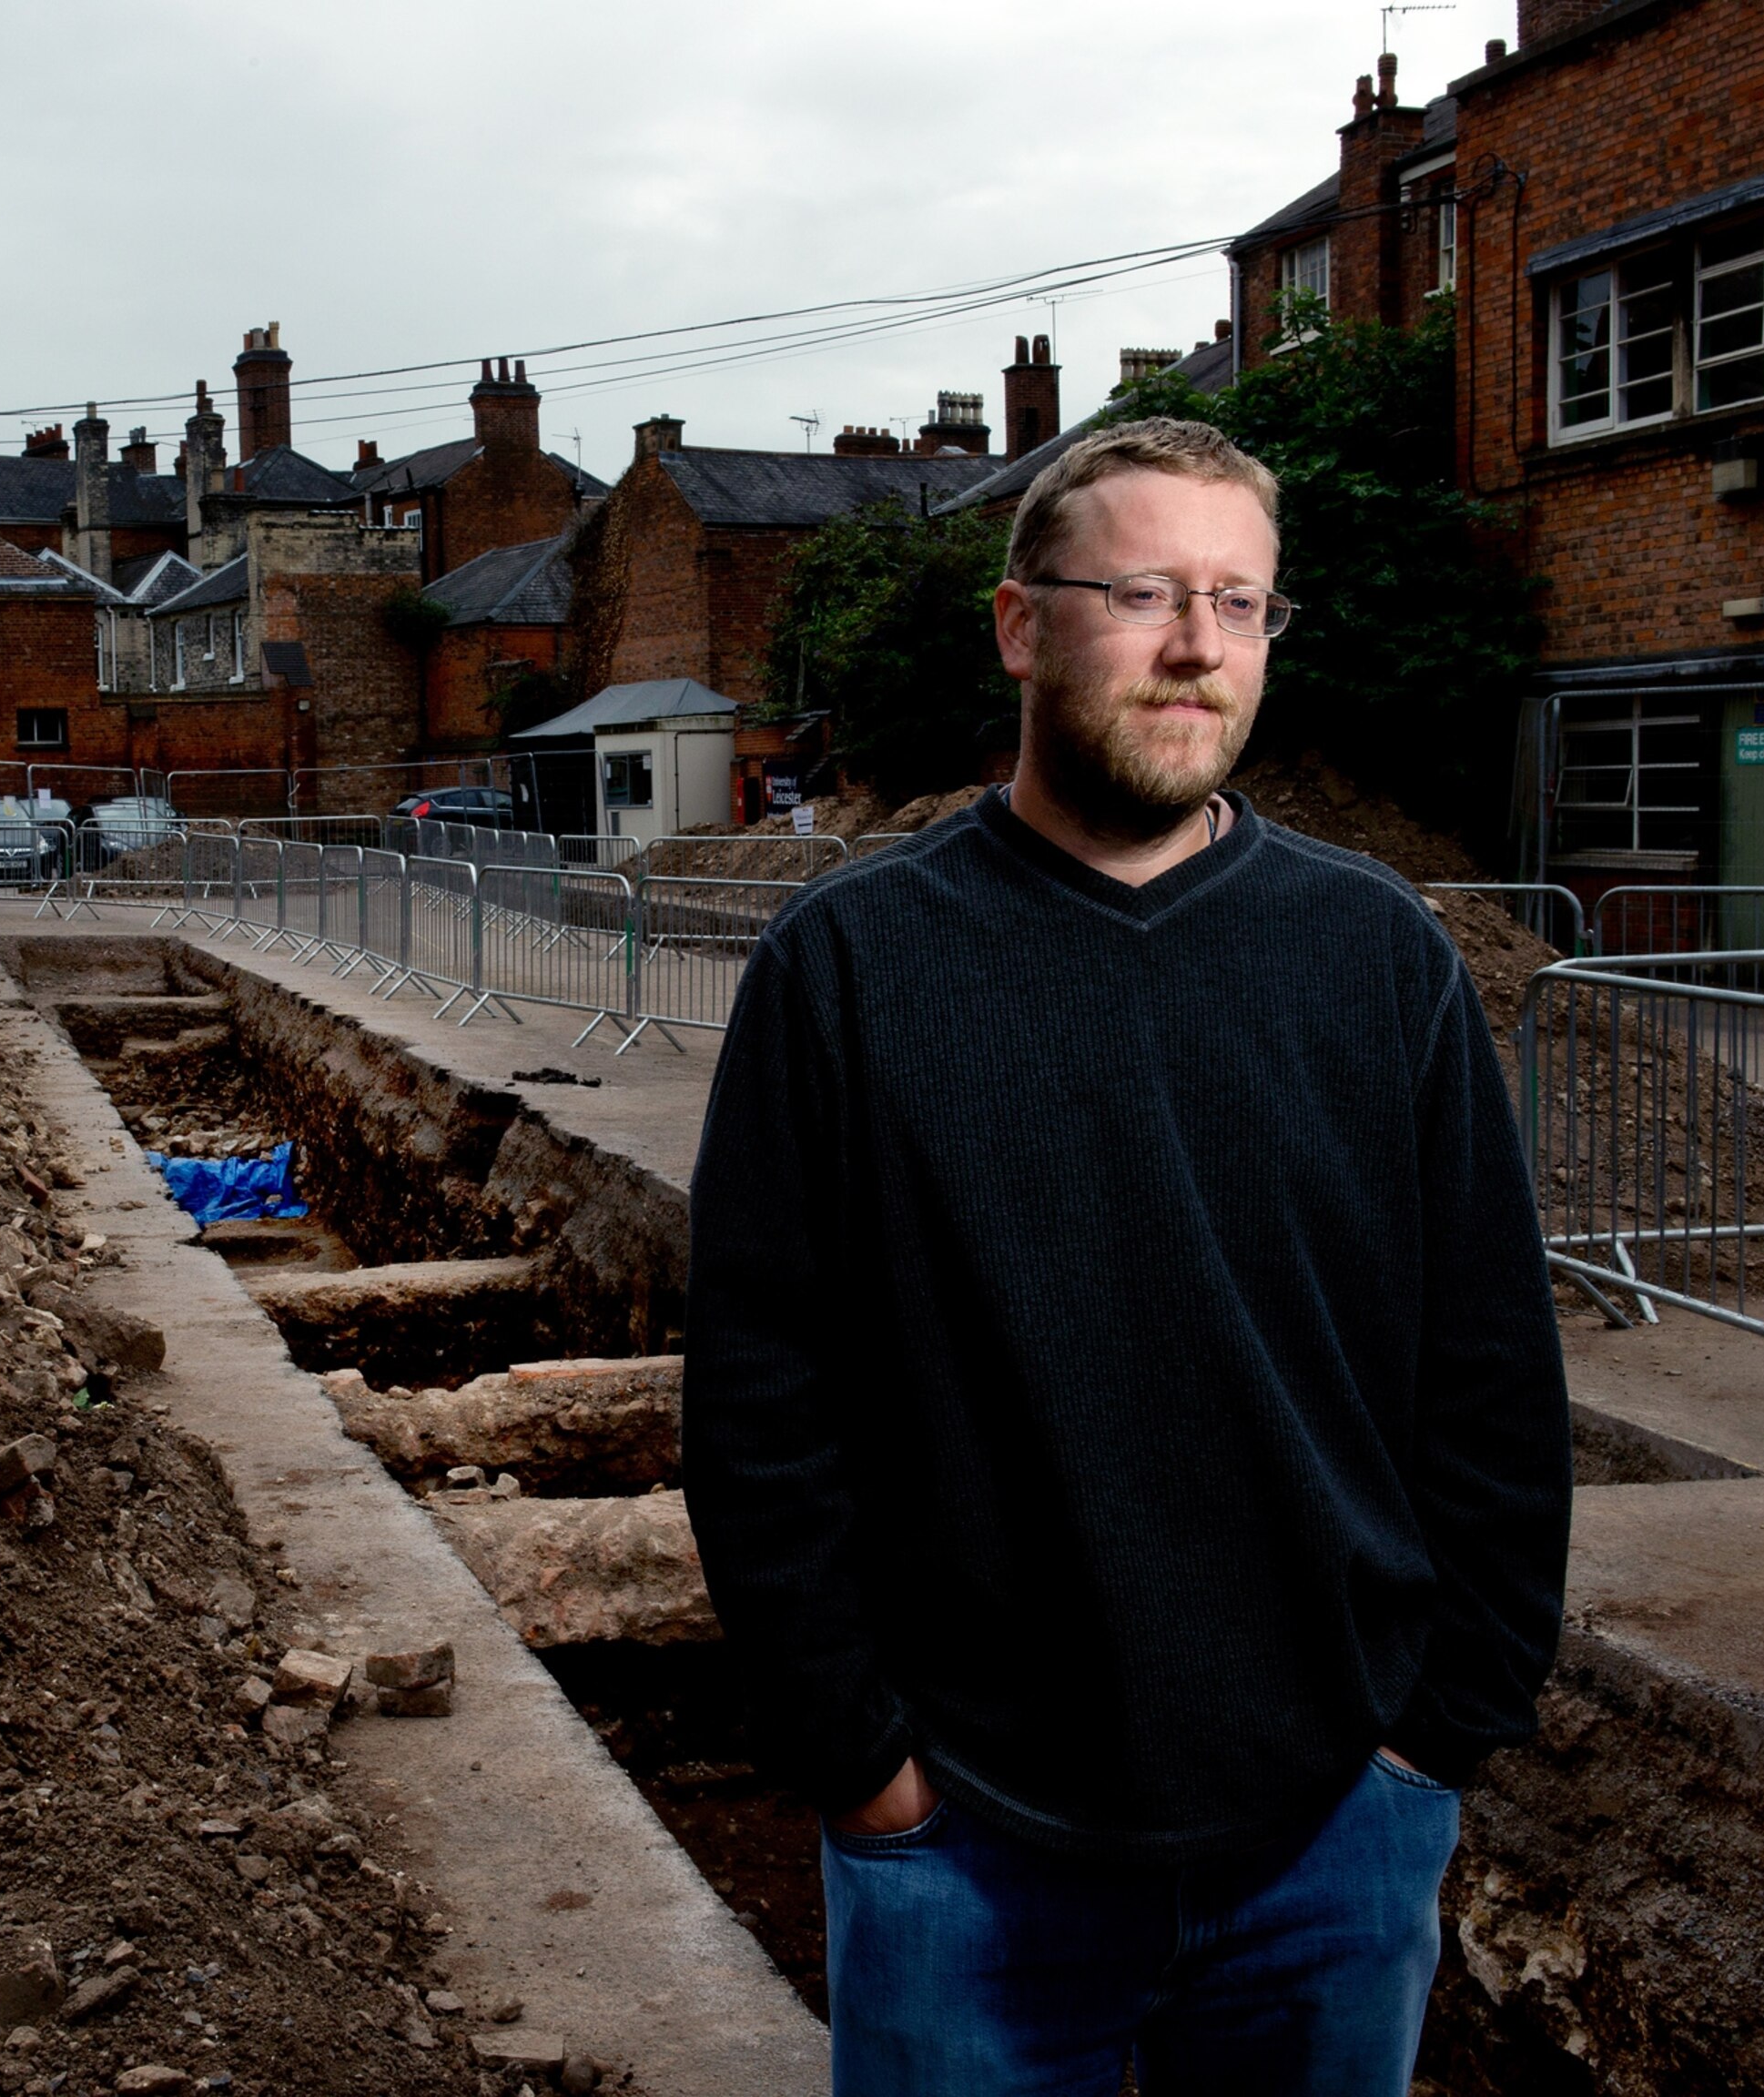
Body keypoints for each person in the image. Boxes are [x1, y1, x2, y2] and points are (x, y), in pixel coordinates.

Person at [682, 418, 1570, 2096]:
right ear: (1021, 626)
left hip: (1334, 1834)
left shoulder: (1381, 960)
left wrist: (1437, 1735)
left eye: (1241, 603)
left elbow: (1494, 1382)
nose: (1197, 647)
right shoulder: (849, 968)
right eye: (1148, 592)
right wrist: (862, 1763)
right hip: (962, 1843)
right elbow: (760, 1407)